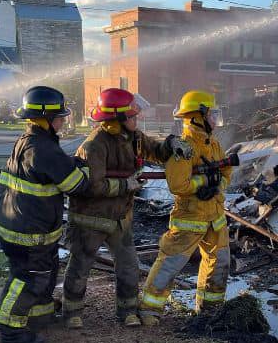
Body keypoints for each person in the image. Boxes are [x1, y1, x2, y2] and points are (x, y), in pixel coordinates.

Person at [63, 88, 192, 329]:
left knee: (129, 266)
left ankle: (128, 311)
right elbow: (92, 186)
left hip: (120, 218)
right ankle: (72, 313)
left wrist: (171, 144)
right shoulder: (94, 146)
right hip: (90, 219)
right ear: (118, 119)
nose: (137, 118)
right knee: (80, 266)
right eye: (132, 116)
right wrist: (126, 184)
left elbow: (154, 150)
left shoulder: (133, 137)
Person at [0, 86, 89, 343]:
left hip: (19, 223)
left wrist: (68, 163)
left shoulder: (29, 141)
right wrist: (86, 171)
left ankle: (38, 316)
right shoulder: (43, 148)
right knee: (30, 277)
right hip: (30, 230)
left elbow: (48, 169)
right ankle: (10, 329)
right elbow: (76, 185)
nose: (63, 121)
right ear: (46, 118)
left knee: (38, 272)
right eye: (60, 117)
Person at [140, 90, 233, 325]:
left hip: (215, 217)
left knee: (219, 262)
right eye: (212, 115)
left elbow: (226, 172)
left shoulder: (213, 144)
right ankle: (150, 309)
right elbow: (177, 184)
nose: (215, 119)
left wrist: (217, 185)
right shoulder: (183, 148)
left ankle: (210, 310)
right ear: (197, 117)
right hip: (190, 217)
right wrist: (202, 182)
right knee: (171, 262)